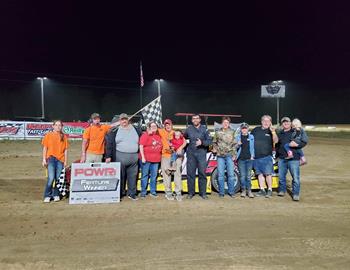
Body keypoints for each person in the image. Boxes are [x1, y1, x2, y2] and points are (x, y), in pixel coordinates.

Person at [105, 113, 141, 201]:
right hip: (120, 156)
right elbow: (109, 144)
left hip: (134, 158)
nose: (124, 121)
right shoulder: (114, 130)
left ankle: (132, 193)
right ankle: (120, 193)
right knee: (121, 176)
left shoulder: (136, 129)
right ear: (119, 121)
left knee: (133, 176)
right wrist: (108, 156)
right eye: (122, 119)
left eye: (125, 119)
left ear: (128, 120)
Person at [276, 117, 308, 201]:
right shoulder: (280, 133)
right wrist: (276, 155)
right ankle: (282, 191)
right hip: (282, 158)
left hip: (294, 158)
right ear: (282, 124)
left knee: (296, 178)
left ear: (290, 123)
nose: (285, 123)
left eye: (287, 122)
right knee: (281, 177)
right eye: (284, 122)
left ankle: (296, 194)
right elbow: (277, 145)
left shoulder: (294, 131)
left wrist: (298, 145)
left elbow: (303, 142)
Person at [184, 114, 212, 200]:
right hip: (191, 154)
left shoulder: (205, 129)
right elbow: (183, 138)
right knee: (190, 174)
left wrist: (202, 143)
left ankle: (203, 193)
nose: (195, 120)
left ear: (200, 120)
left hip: (201, 154)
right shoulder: (188, 129)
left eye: (197, 118)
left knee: (202, 173)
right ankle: (190, 193)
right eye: (193, 119)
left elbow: (210, 141)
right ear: (192, 120)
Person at [158, 119, 186, 201]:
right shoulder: (161, 131)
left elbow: (184, 141)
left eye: (169, 124)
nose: (167, 126)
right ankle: (168, 192)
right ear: (164, 126)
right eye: (166, 125)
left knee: (177, 173)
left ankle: (178, 192)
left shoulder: (175, 132)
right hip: (165, 156)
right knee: (167, 174)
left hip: (176, 156)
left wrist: (180, 148)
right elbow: (152, 128)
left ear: (171, 125)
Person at [251, 115, 278, 198]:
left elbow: (276, 141)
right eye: (264, 121)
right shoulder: (255, 130)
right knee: (259, 174)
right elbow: (250, 140)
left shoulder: (271, 131)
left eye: (268, 121)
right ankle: (262, 190)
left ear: (270, 122)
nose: (266, 122)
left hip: (266, 156)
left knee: (268, 174)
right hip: (256, 157)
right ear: (261, 121)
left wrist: (273, 132)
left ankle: (269, 190)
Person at [41, 120, 69, 203]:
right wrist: (44, 159)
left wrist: (65, 161)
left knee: (58, 178)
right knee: (51, 178)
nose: (58, 127)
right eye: (56, 125)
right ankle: (47, 195)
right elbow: (45, 148)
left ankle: (56, 194)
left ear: (62, 126)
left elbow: (66, 150)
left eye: (59, 125)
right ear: (53, 126)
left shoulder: (64, 137)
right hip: (51, 159)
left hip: (60, 160)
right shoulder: (48, 135)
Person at [212, 116, 238, 198]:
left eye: (227, 122)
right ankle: (221, 192)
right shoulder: (217, 132)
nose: (225, 124)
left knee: (230, 175)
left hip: (229, 155)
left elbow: (235, 144)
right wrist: (215, 149)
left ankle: (231, 192)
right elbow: (214, 142)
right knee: (220, 175)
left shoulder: (233, 132)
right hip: (220, 156)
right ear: (222, 123)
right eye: (224, 122)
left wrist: (234, 154)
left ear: (229, 123)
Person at [139, 122, 163, 198]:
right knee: (145, 175)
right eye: (152, 126)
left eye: (155, 126)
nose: (154, 127)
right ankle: (143, 192)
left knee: (154, 176)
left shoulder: (158, 136)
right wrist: (143, 157)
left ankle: (153, 191)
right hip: (146, 159)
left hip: (156, 159)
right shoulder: (145, 135)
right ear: (149, 127)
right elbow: (141, 146)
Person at [236, 122, 255, 198]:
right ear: (241, 129)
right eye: (243, 128)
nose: (244, 130)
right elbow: (234, 148)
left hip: (249, 159)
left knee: (248, 176)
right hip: (241, 159)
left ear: (247, 129)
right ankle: (243, 190)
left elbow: (253, 147)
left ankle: (249, 191)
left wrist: (253, 155)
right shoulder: (238, 137)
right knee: (242, 176)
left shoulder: (251, 136)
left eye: (245, 128)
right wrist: (238, 144)